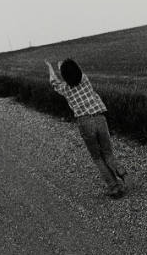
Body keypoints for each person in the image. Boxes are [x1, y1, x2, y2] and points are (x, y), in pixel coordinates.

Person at [45, 59, 127, 198]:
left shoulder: (65, 89)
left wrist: (51, 68)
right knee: (108, 153)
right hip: (100, 118)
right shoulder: (85, 79)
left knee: (97, 157)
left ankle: (114, 187)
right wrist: (64, 65)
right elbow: (77, 71)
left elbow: (54, 81)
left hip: (85, 123)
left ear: (64, 76)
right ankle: (123, 174)